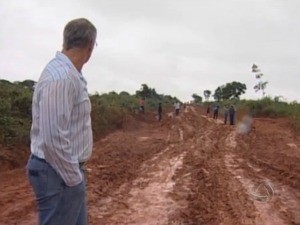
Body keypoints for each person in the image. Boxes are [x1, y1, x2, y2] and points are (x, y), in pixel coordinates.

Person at [27, 18, 97, 225]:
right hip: (58, 173)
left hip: (63, 172)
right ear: (90, 46)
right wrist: (73, 179)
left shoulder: (69, 74)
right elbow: (52, 138)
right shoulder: (61, 78)